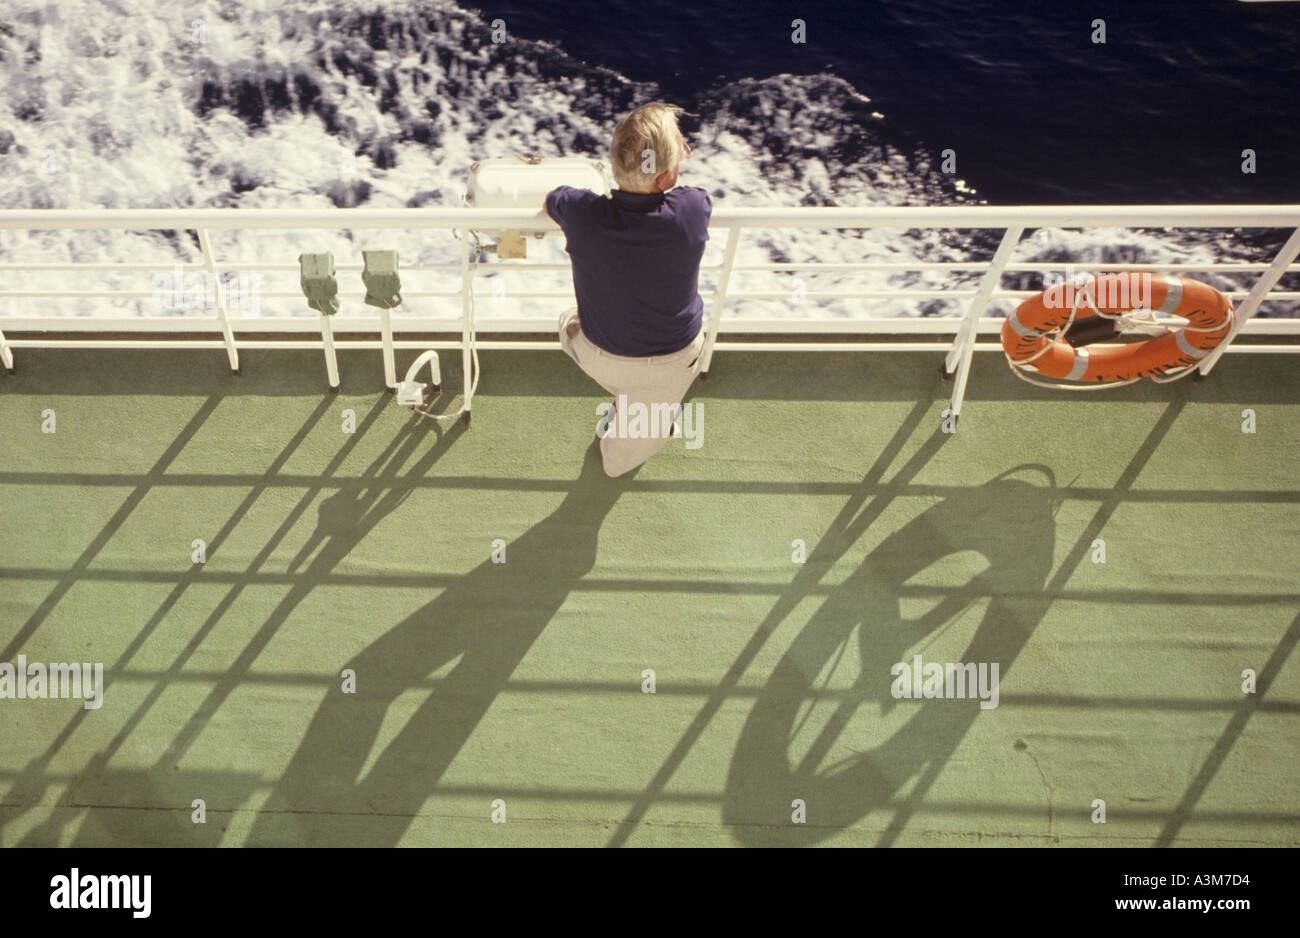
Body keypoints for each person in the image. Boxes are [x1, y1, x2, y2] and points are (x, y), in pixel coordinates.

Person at [543, 101, 711, 477]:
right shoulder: (692, 210)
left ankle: (631, 399)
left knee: (568, 321)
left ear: (615, 166)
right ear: (667, 178)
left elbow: (553, 198)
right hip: (673, 364)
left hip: (600, 359)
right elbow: (684, 193)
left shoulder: (582, 213)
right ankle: (640, 421)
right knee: (621, 460)